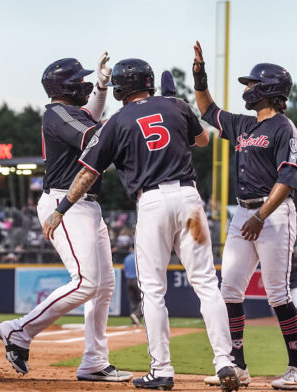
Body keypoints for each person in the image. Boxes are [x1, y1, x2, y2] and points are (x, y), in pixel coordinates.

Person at [42, 58, 239, 391]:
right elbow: (204, 140)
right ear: (149, 82)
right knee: (206, 283)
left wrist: (61, 208)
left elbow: (89, 173)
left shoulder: (116, 122)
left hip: (152, 203)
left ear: (119, 88)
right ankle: (225, 362)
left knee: (153, 291)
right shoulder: (175, 104)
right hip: (190, 200)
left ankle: (161, 370)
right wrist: (178, 105)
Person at [0, 54, 133, 383]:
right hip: (66, 201)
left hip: (83, 204)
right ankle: (20, 330)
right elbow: (94, 137)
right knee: (86, 282)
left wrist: (102, 86)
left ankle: (94, 362)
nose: (85, 83)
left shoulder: (69, 112)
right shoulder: (58, 114)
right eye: (81, 80)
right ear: (66, 86)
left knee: (104, 285)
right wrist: (129, 115)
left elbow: (92, 119)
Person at [192, 41, 297, 390]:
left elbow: (287, 180)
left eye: (253, 84)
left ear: (270, 89)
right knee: (229, 288)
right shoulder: (244, 125)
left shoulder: (284, 128)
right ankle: (238, 366)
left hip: (272, 215)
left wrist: (260, 216)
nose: (247, 89)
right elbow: (208, 110)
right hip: (243, 213)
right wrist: (199, 73)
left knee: (277, 292)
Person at [123, 245, 143, 326]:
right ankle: (136, 314)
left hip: (128, 280)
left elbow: (125, 270)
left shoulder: (126, 258)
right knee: (145, 299)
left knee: (133, 302)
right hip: (137, 280)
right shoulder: (139, 257)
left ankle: (135, 321)